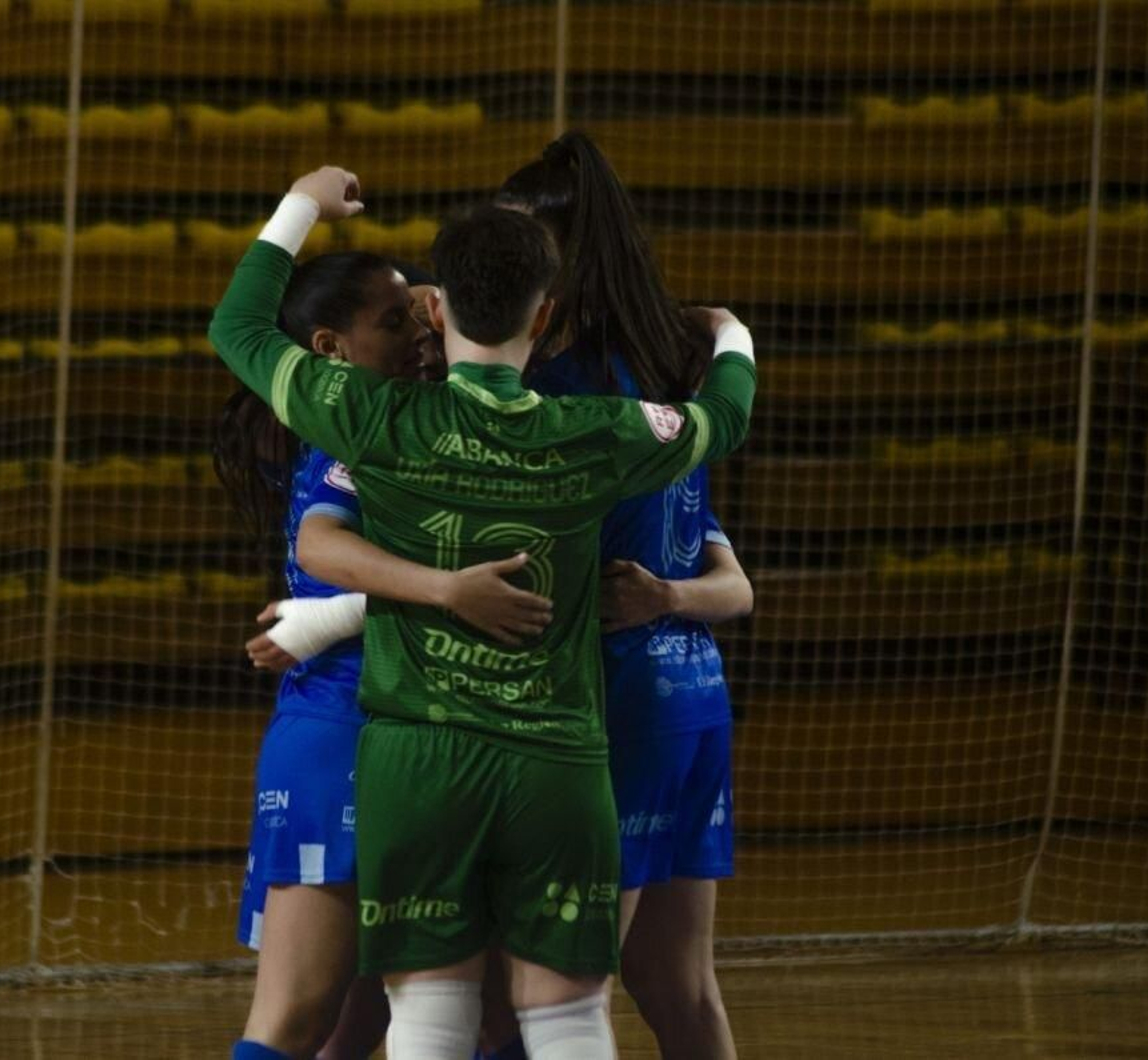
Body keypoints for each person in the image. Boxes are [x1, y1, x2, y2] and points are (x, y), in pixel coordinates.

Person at [208, 166, 755, 1059]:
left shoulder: (373, 420)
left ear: (437, 308)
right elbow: (721, 419)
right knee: (562, 1014)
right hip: (553, 757)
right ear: (544, 318)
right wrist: (732, 333)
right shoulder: (594, 432)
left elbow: (235, 327)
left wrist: (303, 201)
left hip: (418, 757)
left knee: (421, 1017)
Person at [214, 251, 553, 1060]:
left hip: (439, 730)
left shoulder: (430, 415)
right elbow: (320, 542)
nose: (419, 330)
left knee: (428, 1016)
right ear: (333, 348)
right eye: (394, 320)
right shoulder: (357, 427)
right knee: (306, 1013)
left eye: (424, 312)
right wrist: (410, 599)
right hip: (344, 726)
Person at [502, 130, 751, 1059]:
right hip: (692, 704)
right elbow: (733, 583)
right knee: (676, 986)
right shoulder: (662, 377)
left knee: (562, 995)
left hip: (616, 712)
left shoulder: (562, 395)